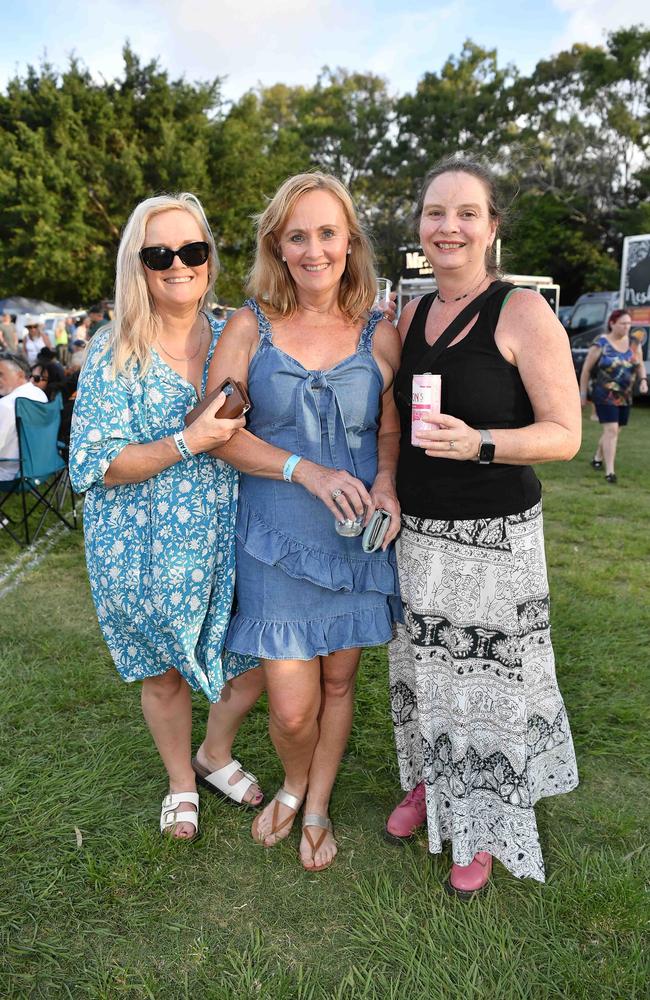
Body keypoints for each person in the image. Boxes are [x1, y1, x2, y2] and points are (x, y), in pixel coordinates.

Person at [386, 157, 581, 897]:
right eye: (436, 213)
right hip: (421, 535)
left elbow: (564, 433)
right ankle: (435, 785)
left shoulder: (523, 312)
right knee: (429, 673)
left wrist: (484, 443)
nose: (449, 227)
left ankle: (489, 824)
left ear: (492, 227)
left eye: (467, 213)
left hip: (494, 540)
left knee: (487, 681)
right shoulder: (410, 315)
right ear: (421, 229)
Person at [202, 171, 402, 871]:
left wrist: (384, 483)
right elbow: (215, 431)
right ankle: (291, 783)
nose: (314, 249)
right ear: (277, 247)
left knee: (340, 684)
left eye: (327, 233)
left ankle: (316, 802)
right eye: (298, 235)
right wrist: (304, 470)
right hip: (275, 536)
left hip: (354, 539)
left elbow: (388, 429)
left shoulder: (381, 330)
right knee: (291, 706)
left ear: (349, 241)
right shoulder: (248, 325)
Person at [70, 192, 267, 841]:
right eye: (160, 253)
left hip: (229, 532)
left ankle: (214, 752)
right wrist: (186, 443)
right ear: (139, 264)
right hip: (140, 541)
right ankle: (182, 780)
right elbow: (95, 461)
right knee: (163, 672)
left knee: (258, 657)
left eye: (192, 250)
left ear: (210, 257)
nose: (178, 264)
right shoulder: (113, 348)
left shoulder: (238, 336)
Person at [579, 309, 648, 482]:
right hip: (604, 395)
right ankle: (610, 472)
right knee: (611, 430)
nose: (627, 327)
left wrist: (643, 380)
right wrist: (583, 393)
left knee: (615, 431)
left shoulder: (634, 343)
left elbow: (639, 365)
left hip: (626, 395)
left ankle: (597, 457)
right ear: (612, 324)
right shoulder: (600, 344)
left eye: (629, 323)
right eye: (623, 323)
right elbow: (586, 370)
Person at [0, 353, 48, 480]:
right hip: (40, 467)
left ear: (20, 375)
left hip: (9, 473)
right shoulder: (40, 394)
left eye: (1, 374)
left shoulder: (7, 404)